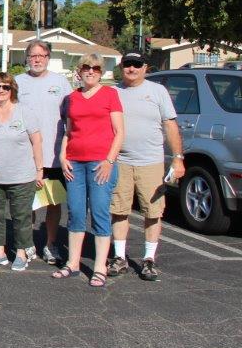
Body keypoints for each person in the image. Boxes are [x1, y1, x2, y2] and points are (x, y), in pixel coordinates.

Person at [109, 52, 184, 281]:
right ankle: (119, 257)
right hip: (121, 160)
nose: (131, 68)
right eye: (127, 64)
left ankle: (149, 259)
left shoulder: (157, 91)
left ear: (145, 68)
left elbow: (170, 125)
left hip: (150, 161)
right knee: (119, 210)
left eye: (136, 65)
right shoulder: (113, 92)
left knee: (152, 212)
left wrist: (178, 158)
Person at [54, 53, 124, 287]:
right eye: (86, 67)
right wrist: (63, 156)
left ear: (101, 72)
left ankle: (100, 267)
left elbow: (119, 132)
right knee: (75, 211)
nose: (90, 71)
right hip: (75, 163)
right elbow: (69, 130)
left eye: (95, 68)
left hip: (100, 164)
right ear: (79, 71)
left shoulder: (110, 94)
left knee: (100, 212)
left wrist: (109, 161)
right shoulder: (72, 97)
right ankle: (73, 263)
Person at [0, 73, 45, 272]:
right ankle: (0, 253)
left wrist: (39, 170)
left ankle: (21, 253)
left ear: (12, 90)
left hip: (22, 176)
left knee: (21, 216)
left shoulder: (24, 112)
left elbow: (37, 141)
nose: (1, 90)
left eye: (6, 87)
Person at [15, 40, 72, 265]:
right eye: (33, 55)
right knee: (26, 203)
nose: (37, 59)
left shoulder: (60, 82)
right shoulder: (18, 82)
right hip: (25, 157)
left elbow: (70, 117)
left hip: (53, 156)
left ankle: (50, 244)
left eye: (42, 55)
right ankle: (27, 243)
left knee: (52, 202)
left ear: (48, 58)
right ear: (27, 58)